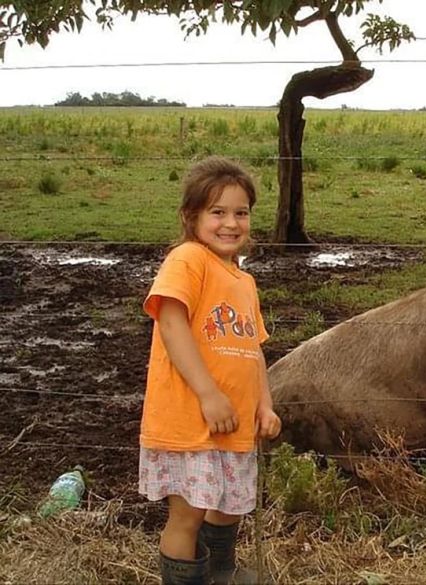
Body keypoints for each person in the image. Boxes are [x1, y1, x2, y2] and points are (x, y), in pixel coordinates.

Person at [138, 156, 281, 585]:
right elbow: (171, 322)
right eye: (217, 212)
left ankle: (222, 572)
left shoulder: (243, 281)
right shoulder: (187, 260)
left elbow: (252, 349)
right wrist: (208, 394)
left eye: (241, 213)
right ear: (191, 216)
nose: (230, 223)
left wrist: (264, 405)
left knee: (230, 503)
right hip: (191, 421)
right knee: (189, 513)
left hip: (233, 422)